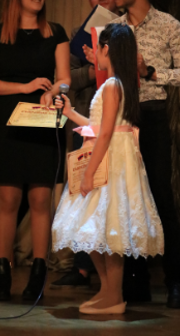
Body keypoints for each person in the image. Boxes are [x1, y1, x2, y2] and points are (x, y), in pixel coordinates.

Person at [52, 23, 164, 315]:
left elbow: (105, 134)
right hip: (109, 153)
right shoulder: (114, 84)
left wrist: (89, 172)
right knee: (93, 227)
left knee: (110, 227)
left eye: (97, 49)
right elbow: (99, 126)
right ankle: (107, 290)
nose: (95, 56)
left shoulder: (113, 85)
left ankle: (114, 294)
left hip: (111, 160)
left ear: (106, 49)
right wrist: (69, 112)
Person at [0, 0, 71, 301]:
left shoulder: (55, 32)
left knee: (41, 200)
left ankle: (38, 275)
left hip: (44, 118)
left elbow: (64, 78)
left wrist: (53, 90)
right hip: (10, 120)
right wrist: (25, 87)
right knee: (8, 200)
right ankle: (2, 274)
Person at [109, 0, 180, 308]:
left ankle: (175, 281)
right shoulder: (114, 28)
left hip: (153, 116)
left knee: (160, 196)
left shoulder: (168, 25)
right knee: (128, 199)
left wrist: (151, 71)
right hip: (121, 119)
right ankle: (136, 280)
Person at [50, 0, 121, 290]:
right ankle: (81, 268)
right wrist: (94, 70)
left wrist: (105, 66)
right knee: (84, 191)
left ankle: (116, 278)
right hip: (87, 118)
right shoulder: (80, 35)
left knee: (112, 195)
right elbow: (68, 77)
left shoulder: (124, 32)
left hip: (116, 124)